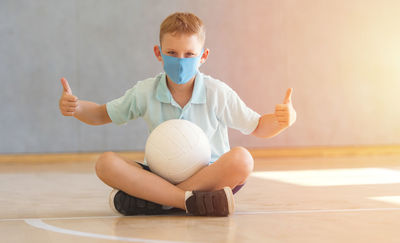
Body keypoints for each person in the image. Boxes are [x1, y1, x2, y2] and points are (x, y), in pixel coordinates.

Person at [59, 12, 297, 217]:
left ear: (203, 56)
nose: (180, 61)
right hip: (160, 176)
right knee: (105, 164)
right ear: (158, 53)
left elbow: (257, 127)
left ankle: (158, 201)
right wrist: (77, 108)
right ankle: (187, 201)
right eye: (171, 52)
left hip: (210, 179)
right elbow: (101, 115)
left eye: (189, 54)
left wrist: (283, 120)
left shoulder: (217, 92)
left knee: (242, 159)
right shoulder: (145, 91)